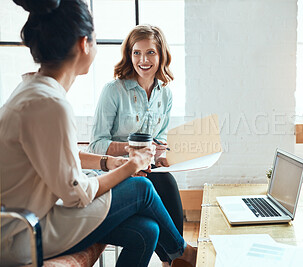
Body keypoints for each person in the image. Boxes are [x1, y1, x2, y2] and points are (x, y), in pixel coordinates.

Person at [0, 1, 196, 266]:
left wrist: (107, 163)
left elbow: (62, 157)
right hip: (25, 233)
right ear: (84, 44)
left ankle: (178, 253)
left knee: (146, 231)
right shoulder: (50, 104)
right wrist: (131, 165)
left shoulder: (35, 92)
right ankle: (183, 253)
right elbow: (76, 193)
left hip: (30, 220)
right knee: (141, 188)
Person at [88, 25, 183, 266]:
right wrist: (130, 149)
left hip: (147, 170)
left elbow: (159, 137)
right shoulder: (113, 91)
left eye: (150, 52)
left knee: (165, 179)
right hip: (115, 172)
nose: (143, 60)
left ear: (161, 55)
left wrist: (161, 155)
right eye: (136, 53)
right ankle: (177, 258)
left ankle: (172, 260)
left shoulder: (165, 94)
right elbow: (96, 145)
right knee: (163, 185)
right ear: (129, 56)